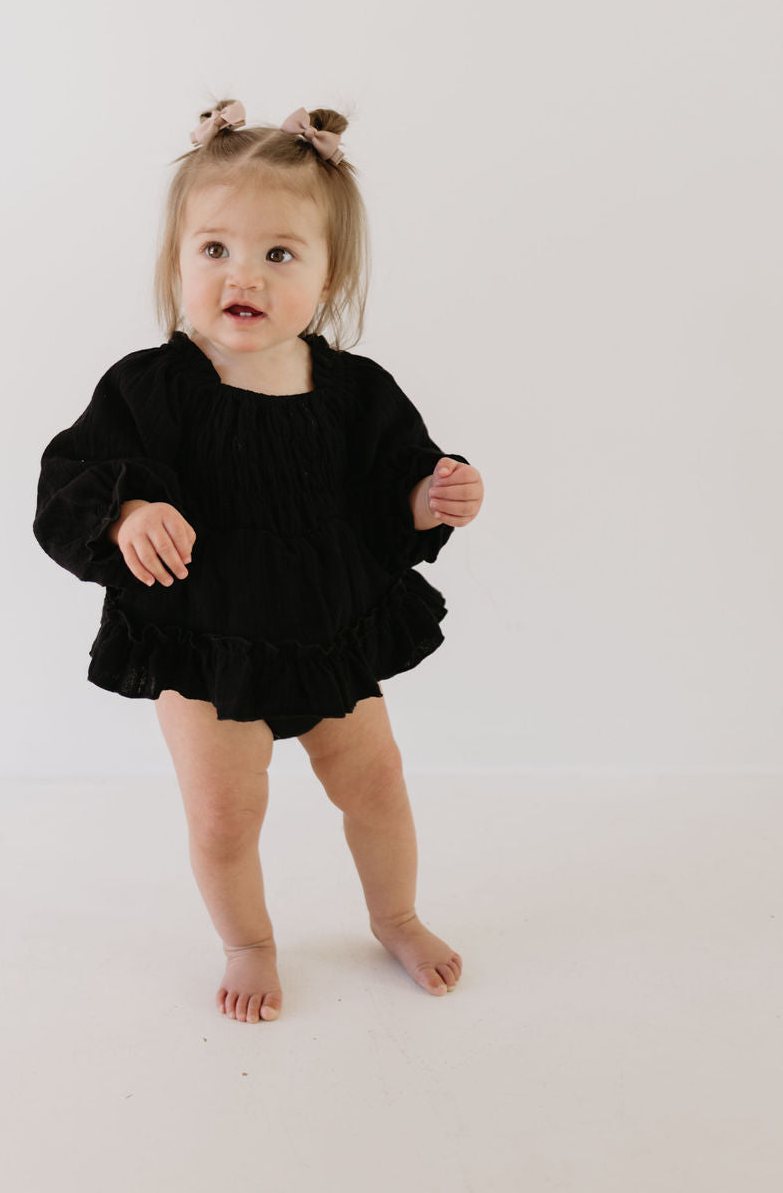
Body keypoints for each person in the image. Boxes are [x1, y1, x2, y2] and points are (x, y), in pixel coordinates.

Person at [33, 99, 485, 1023]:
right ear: (176, 262)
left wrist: (430, 495)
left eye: (279, 253)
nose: (244, 274)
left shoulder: (355, 391)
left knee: (376, 781)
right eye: (215, 250)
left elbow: (392, 484)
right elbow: (67, 482)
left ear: (329, 276)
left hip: (327, 625)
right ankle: (248, 939)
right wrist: (127, 512)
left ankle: (394, 913)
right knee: (226, 814)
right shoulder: (148, 388)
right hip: (202, 634)